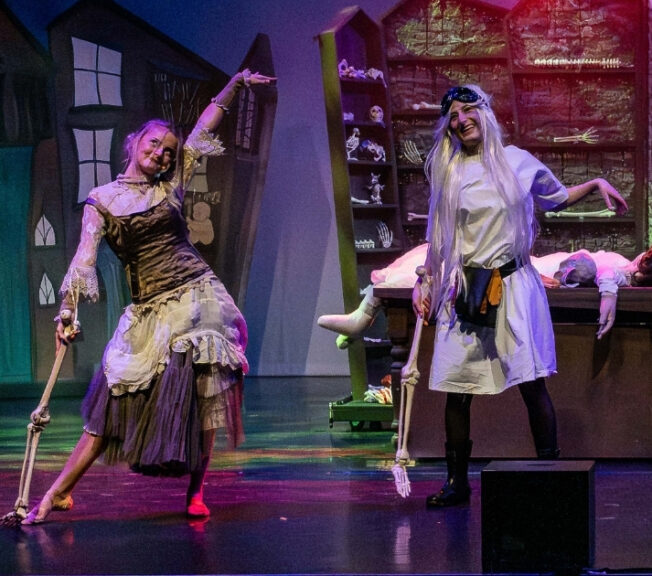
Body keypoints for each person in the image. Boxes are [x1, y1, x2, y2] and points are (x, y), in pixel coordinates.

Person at [22, 69, 276, 525]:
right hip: (148, 309)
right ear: (135, 141)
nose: (161, 154)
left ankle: (196, 492)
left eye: (169, 152)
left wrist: (235, 86)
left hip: (198, 299)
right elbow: (84, 259)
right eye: (155, 144)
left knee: (204, 398)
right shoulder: (102, 200)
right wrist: (66, 311)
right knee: (113, 395)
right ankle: (58, 492)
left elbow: (204, 128)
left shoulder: (171, 185)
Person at [410, 84, 628, 508]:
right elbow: (438, 236)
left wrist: (598, 181)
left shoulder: (518, 163)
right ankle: (457, 483)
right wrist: (426, 279)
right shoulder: (449, 171)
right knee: (458, 389)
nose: (461, 120)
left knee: (531, 384)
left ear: (485, 113)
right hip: (469, 289)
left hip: (513, 287)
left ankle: (551, 478)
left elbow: (557, 198)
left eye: (468, 110)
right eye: (453, 116)